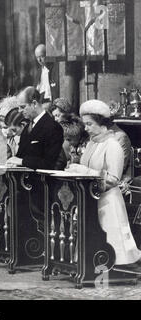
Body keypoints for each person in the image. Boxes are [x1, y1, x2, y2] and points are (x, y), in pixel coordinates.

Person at [66, 100, 141, 269]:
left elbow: (113, 178)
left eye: (89, 124)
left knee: (113, 245)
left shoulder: (113, 145)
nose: (86, 128)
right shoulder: (92, 143)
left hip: (108, 202)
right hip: (91, 199)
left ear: (101, 124)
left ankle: (116, 267)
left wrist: (83, 171)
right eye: (85, 124)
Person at [6, 86, 65, 170]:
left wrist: (22, 162)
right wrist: (13, 163)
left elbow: (50, 163)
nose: (19, 111)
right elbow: (20, 156)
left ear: (34, 104)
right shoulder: (27, 128)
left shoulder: (53, 127)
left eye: (22, 107)